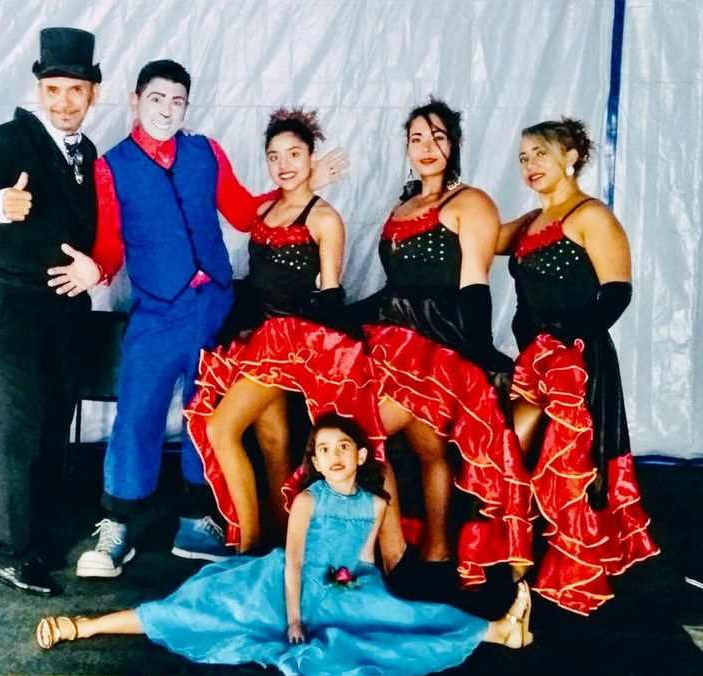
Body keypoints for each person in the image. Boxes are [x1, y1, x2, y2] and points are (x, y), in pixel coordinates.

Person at [46, 63, 346, 578]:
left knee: (202, 412)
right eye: (156, 98)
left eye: (177, 101)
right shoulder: (112, 166)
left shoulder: (207, 152)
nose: (167, 110)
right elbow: (110, 244)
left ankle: (197, 516)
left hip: (215, 307)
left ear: (187, 106)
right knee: (137, 411)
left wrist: (300, 187)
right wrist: (96, 268)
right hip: (157, 311)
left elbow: (243, 213)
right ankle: (118, 524)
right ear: (135, 100)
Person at [35, 413, 532, 676]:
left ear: (361, 456)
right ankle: (84, 626)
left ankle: (498, 631)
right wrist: (294, 619)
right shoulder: (309, 500)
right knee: (193, 612)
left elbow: (362, 561)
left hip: (341, 586)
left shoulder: (376, 503)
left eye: (343, 448)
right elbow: (293, 560)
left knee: (398, 616)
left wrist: (354, 583)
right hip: (283, 584)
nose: (334, 457)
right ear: (315, 461)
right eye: (324, 450)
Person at [0, 28, 102, 596]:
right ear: (39, 90)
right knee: (21, 431)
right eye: (53, 89)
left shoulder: (88, 152)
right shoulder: (8, 140)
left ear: (93, 93)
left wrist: (95, 270)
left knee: (56, 426)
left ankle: (38, 538)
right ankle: (12, 554)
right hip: (15, 311)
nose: (64, 102)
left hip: (67, 312)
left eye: (75, 90)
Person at [184, 108, 386, 553]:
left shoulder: (324, 218)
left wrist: (333, 356)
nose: (284, 164)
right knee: (273, 442)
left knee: (220, 429)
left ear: (312, 157)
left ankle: (249, 546)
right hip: (255, 337)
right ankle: (283, 548)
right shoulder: (267, 208)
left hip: (291, 343)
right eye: (274, 156)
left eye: (294, 153)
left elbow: (330, 292)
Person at [351, 98, 532, 591]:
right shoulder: (404, 205)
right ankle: (430, 553)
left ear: (454, 144)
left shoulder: (471, 202)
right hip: (394, 342)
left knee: (366, 437)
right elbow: (396, 288)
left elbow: (474, 286)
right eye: (416, 139)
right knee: (426, 448)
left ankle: (402, 556)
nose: (426, 147)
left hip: (439, 348)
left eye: (437, 137)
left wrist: (480, 356)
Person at [497, 117, 659, 615]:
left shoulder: (591, 215)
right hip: (535, 362)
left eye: (541, 154)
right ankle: (518, 571)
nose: (530, 165)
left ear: (570, 157)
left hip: (576, 365)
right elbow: (479, 235)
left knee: (554, 462)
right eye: (523, 157)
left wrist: (569, 345)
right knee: (512, 451)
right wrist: (443, 185)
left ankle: (554, 573)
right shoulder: (531, 220)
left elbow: (617, 293)